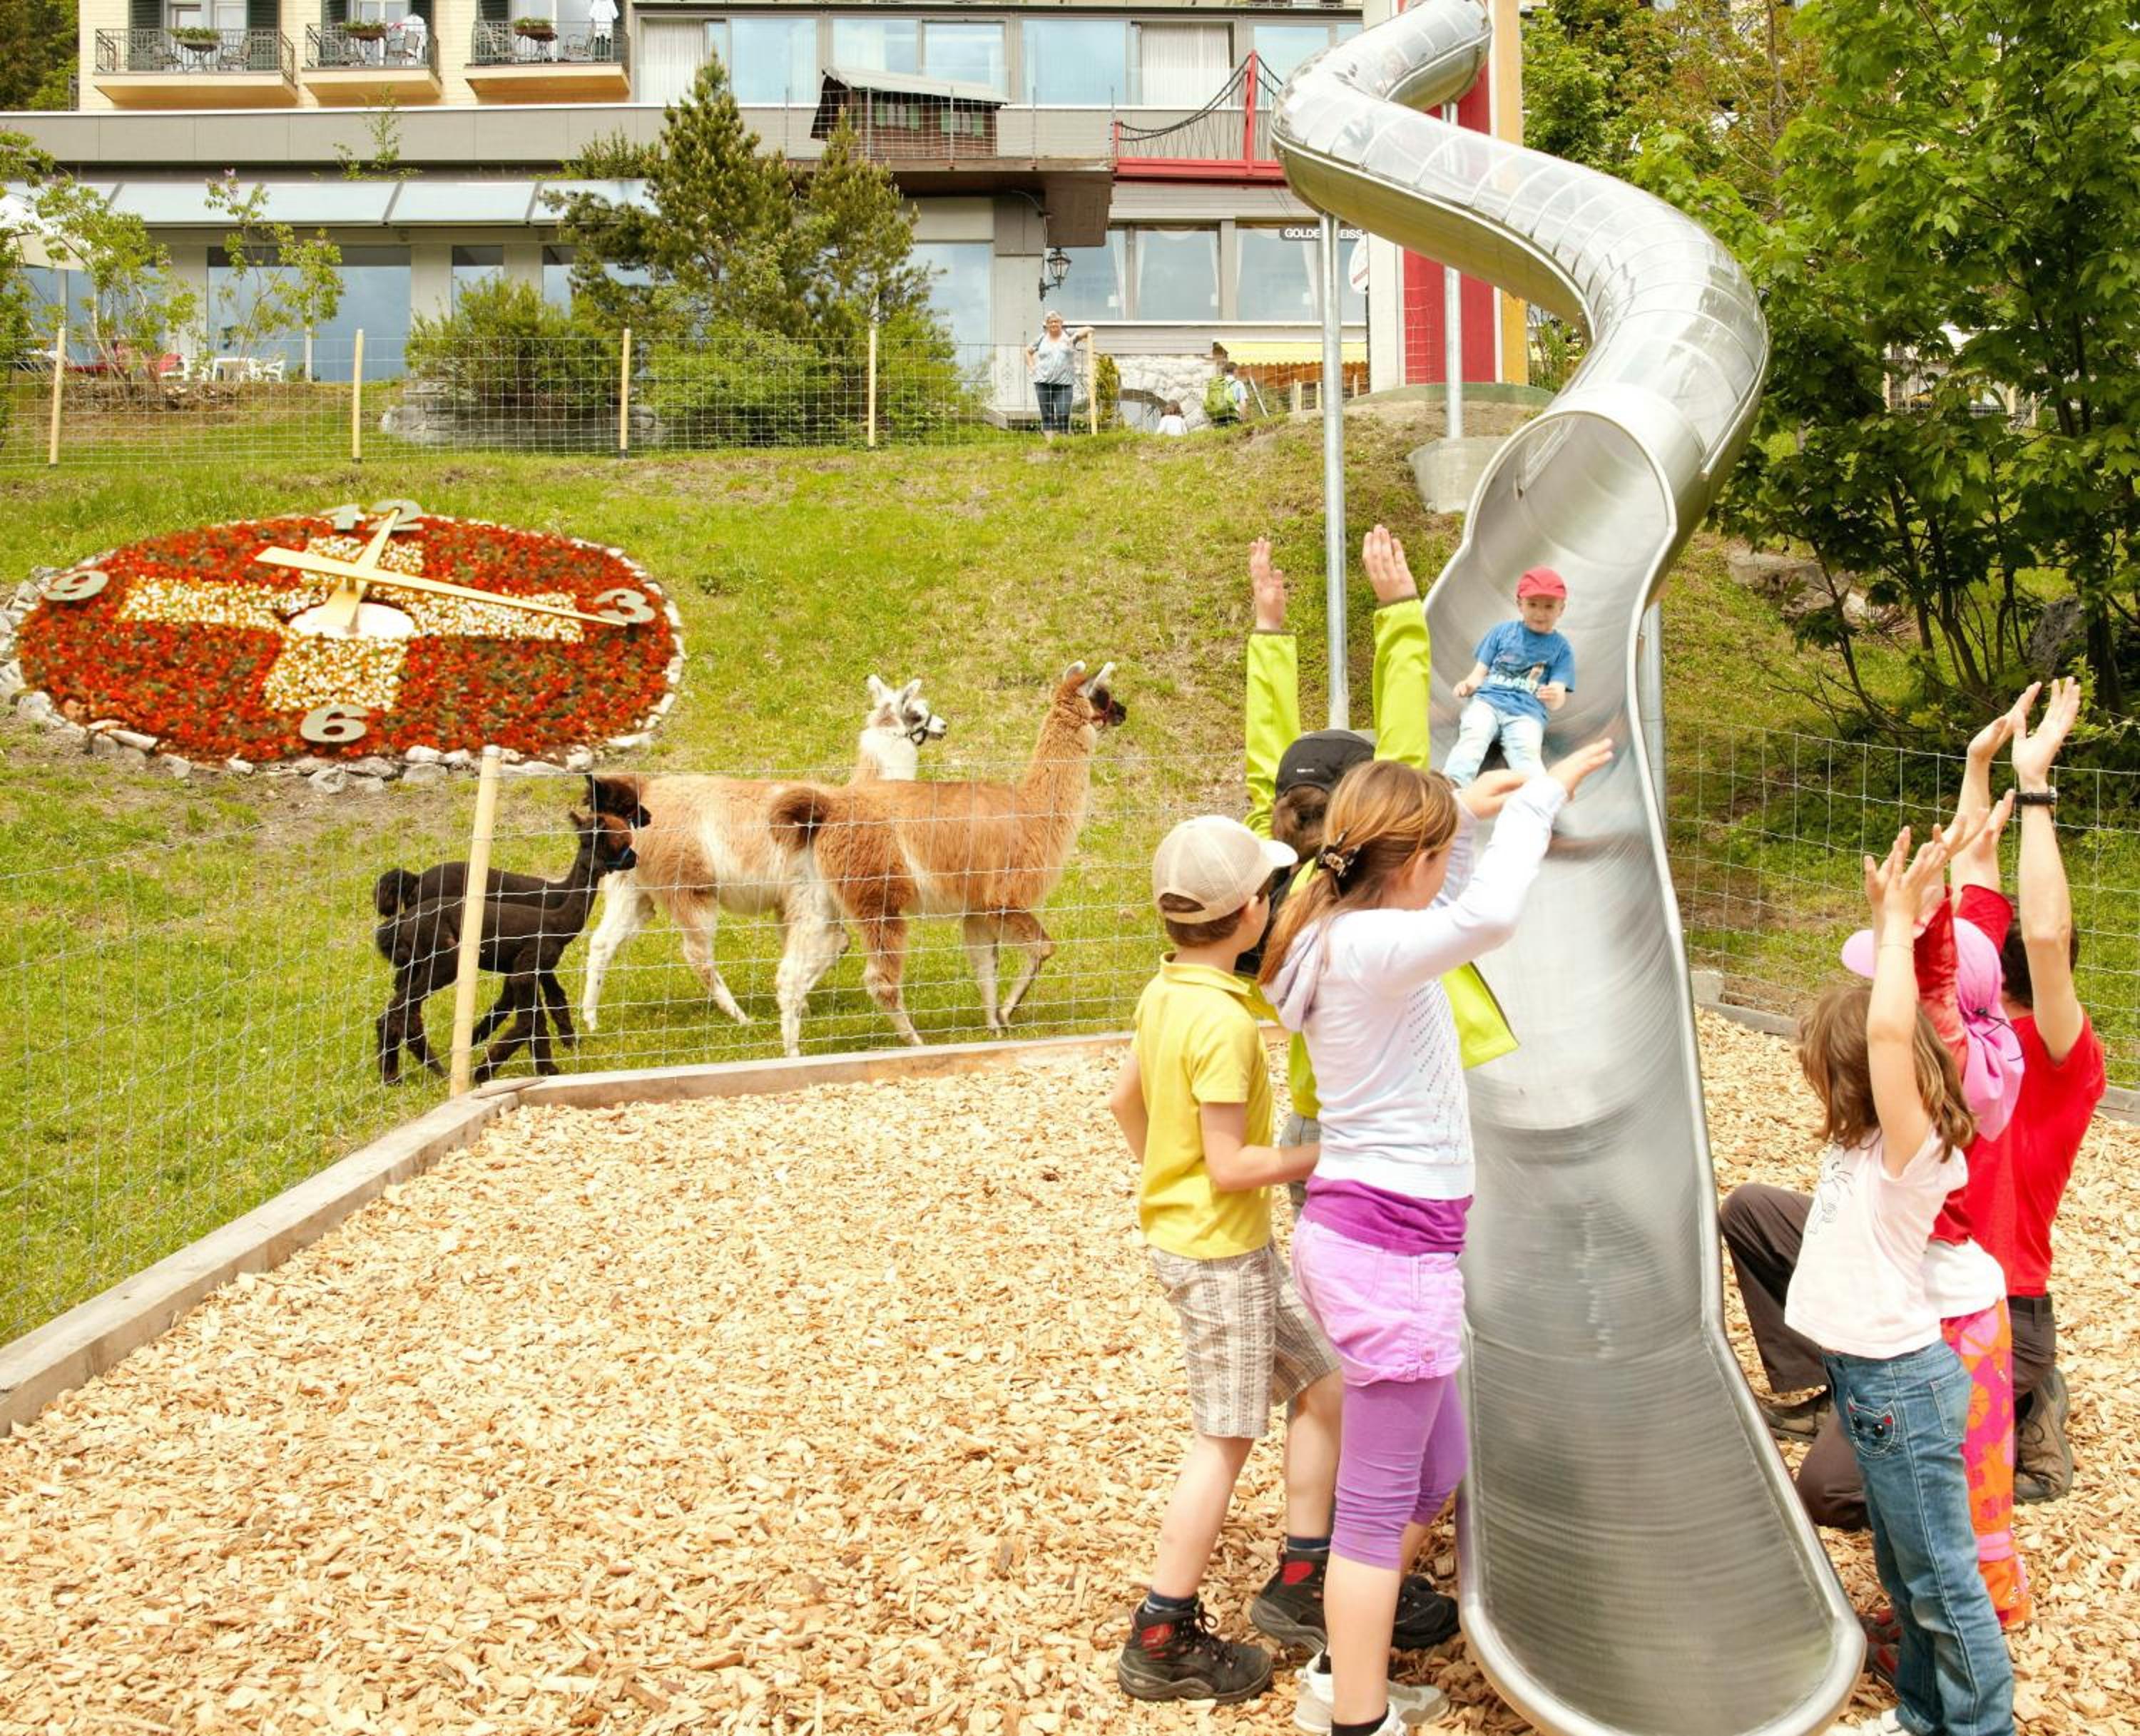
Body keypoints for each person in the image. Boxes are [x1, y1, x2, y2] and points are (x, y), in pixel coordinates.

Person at [1260, 740, 1614, 1736]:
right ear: (1409, 861)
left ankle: (1343, 1664)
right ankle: (1355, 1716)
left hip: (1375, 1243)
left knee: (1434, 1469)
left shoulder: (1340, 922)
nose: (1448, 865)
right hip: (1391, 1259)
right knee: (1376, 1514)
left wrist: (1460, 806)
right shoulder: (1369, 946)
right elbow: (1487, 915)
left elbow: (1426, 882)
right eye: (1439, 851)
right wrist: (1539, 799)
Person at [1723, 682, 2096, 1540]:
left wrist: (2035, 786)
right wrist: (1976, 767)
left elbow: (2042, 937)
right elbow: (1974, 876)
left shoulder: (2051, 1058)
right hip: (1899, 1263)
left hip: (1978, 1306)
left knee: (1832, 1493)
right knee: (1754, 1213)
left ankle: (2004, 1423)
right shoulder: (1959, 1018)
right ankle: (1839, 1385)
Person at [1787, 823, 2014, 1736]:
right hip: (1868, 1380)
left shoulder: (1910, 1154)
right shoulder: (1864, 1141)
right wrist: (1906, 931)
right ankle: (1925, 1710)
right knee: (1904, 1570)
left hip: (1900, 1387)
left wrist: (1894, 932)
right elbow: (1896, 1028)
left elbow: (1892, 1027)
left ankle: (1979, 1726)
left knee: (1942, 1582)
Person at [1109, 814, 1340, 1705]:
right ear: (1251, 913)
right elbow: (1234, 1166)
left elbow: (1124, 1101)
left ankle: (1303, 1577)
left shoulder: (1165, 990)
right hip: (1220, 1256)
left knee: (1322, 1376)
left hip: (1217, 1242)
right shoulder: (1227, 1025)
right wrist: (1333, 1152)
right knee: (1224, 1437)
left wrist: (1167, 1183)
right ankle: (1161, 1634)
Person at [1440, 567, 1576, 787]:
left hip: (1526, 713)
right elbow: (1478, 675)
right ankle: (1454, 784)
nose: (1540, 613)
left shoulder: (1561, 649)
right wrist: (1468, 686)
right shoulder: (1502, 633)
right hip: (1488, 703)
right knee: (1473, 736)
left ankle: (1538, 796)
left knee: (1526, 753)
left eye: (1549, 606)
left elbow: (1557, 700)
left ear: (1561, 609)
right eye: (1533, 604)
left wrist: (1554, 696)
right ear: (1520, 604)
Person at [1025, 311, 1089, 442]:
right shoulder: (1042, 338)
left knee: (1063, 413)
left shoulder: (1068, 334)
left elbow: (1089, 329)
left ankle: (1064, 442)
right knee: (1047, 415)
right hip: (1043, 382)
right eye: (1051, 322)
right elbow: (1027, 351)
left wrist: (1074, 337)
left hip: (1064, 383)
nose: (1053, 324)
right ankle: (1051, 444)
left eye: (1056, 321)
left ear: (1061, 323)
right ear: (1047, 325)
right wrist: (1032, 367)